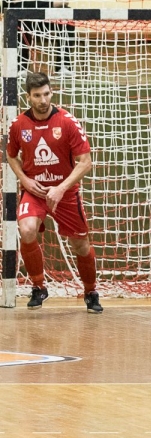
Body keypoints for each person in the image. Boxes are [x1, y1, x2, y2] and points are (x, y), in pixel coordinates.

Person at [7, 72, 101, 312]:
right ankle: (39, 287)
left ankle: (90, 291)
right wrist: (25, 180)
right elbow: (11, 155)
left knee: (80, 244)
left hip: (65, 193)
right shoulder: (19, 124)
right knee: (26, 229)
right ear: (28, 97)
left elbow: (85, 162)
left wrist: (61, 188)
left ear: (52, 92)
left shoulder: (67, 122)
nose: (42, 100)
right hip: (35, 191)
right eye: (37, 95)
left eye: (46, 94)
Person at [8, 0, 75, 78]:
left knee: (67, 14)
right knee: (18, 15)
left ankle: (63, 65)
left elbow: (62, 0)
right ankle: (21, 67)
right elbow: (17, 4)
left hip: (49, 18)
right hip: (27, 19)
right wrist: (52, 3)